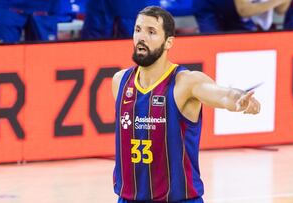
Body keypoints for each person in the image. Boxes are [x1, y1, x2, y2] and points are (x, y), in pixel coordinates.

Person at [111, 6, 260, 203]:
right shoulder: (120, 81)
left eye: (151, 32)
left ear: (168, 42)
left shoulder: (185, 82)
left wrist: (238, 101)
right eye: (138, 30)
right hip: (129, 199)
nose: (141, 37)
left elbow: (221, 95)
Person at [194, 0, 291, 33]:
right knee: (212, 44)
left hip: (235, 11)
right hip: (210, 6)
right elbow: (243, 11)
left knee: (241, 46)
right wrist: (276, 1)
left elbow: (280, 11)